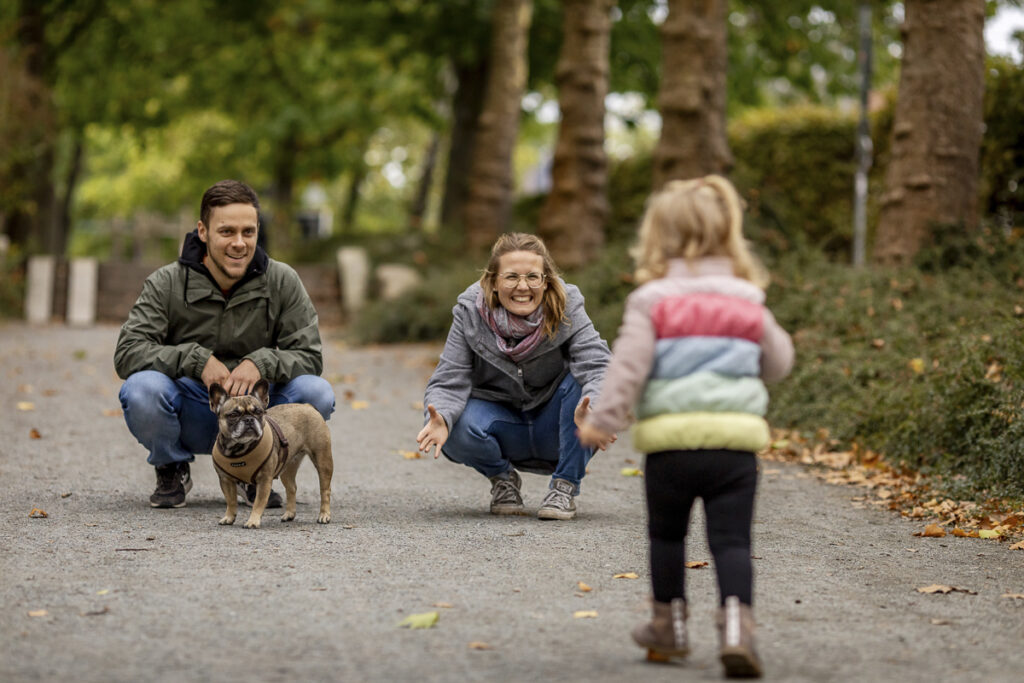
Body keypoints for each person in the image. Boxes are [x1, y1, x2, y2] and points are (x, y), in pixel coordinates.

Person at [578, 176, 793, 678]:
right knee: (733, 541)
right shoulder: (747, 298)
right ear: (729, 233)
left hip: (671, 449)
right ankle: (738, 632)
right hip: (734, 447)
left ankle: (668, 630)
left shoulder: (653, 300)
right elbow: (779, 361)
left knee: (667, 537)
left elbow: (628, 368)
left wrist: (602, 420)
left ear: (659, 235)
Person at [114, 179, 335, 509]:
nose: (239, 243)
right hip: (194, 408)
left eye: (248, 232)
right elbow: (128, 352)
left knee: (317, 393)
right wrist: (196, 359)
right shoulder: (167, 282)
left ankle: (260, 468)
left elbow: (309, 356)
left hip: (261, 414)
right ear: (202, 231)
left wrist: (261, 362)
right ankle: (171, 466)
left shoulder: (282, 280)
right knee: (141, 389)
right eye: (227, 232)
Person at [416, 232, 613, 520]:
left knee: (585, 389)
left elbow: (599, 366)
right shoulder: (469, 312)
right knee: (453, 419)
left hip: (557, 426)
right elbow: (450, 377)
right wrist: (441, 417)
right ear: (493, 282)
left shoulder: (568, 305)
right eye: (511, 277)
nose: (523, 287)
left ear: (545, 281)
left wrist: (596, 406)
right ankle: (503, 479)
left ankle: (565, 485)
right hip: (502, 422)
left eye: (533, 277)